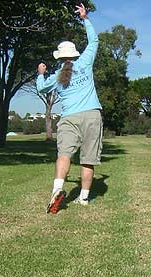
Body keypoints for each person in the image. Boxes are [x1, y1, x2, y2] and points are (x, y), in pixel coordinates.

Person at [36, 3, 103, 214]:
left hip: (69, 118)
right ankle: (83, 198)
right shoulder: (84, 63)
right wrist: (85, 18)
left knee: (64, 154)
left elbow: (41, 87)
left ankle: (57, 189)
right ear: (74, 55)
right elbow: (94, 41)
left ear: (59, 57)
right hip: (92, 115)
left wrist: (40, 72)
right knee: (88, 159)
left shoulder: (56, 77)